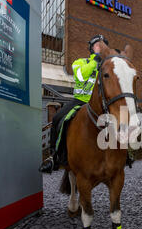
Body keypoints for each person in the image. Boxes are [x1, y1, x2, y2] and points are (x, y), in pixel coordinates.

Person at [39, 34, 108, 173]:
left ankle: (125, 155)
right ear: (91, 48)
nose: (100, 47)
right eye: (97, 45)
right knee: (58, 119)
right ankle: (53, 158)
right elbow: (82, 76)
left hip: (101, 103)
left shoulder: (107, 66)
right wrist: (95, 61)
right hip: (80, 100)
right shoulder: (80, 62)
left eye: (103, 45)